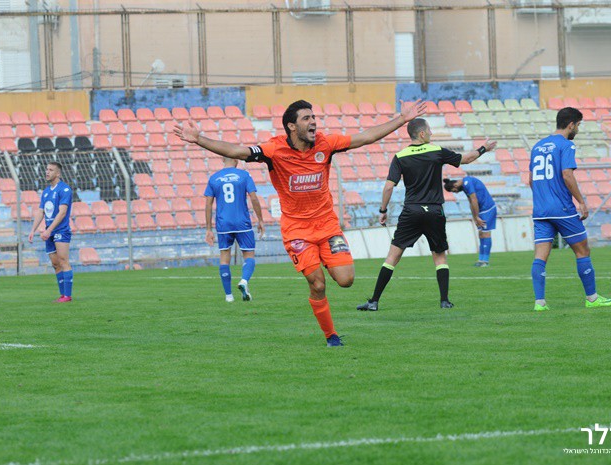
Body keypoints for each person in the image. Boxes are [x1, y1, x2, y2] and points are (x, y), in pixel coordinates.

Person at [175, 99, 426, 346]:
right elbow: (237, 152)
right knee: (317, 283)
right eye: (306, 118)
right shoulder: (274, 150)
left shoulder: (326, 144)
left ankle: (326, 259)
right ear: (292, 126)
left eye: (313, 117)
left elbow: (366, 137)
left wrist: (402, 119)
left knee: (346, 280)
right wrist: (199, 139)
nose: (313, 122)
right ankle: (331, 336)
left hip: (328, 227)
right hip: (297, 231)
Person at [357, 119, 497, 312]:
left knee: (392, 257)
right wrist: (484, 149)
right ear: (422, 134)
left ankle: (373, 302)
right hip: (434, 211)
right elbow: (466, 159)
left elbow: (389, 186)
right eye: (429, 130)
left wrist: (383, 210)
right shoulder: (436, 151)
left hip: (411, 211)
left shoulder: (400, 156)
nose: (431, 133)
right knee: (439, 258)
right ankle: (444, 301)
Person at [529, 107, 611, 311]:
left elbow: (531, 180)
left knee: (540, 256)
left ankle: (540, 303)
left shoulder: (537, 146)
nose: (578, 128)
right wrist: (581, 202)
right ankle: (592, 299)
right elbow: (567, 175)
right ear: (571, 125)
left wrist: (543, 198)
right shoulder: (566, 145)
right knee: (582, 250)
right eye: (578, 125)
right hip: (562, 208)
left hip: (540, 210)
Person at [204, 157, 265, 302]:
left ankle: (229, 296)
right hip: (242, 221)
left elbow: (208, 204)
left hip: (223, 223)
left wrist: (208, 229)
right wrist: (260, 220)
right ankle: (244, 281)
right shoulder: (244, 175)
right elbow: (253, 198)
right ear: (236, 159)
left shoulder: (214, 178)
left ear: (222, 159)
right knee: (249, 255)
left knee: (224, 257)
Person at [28, 162, 74, 302]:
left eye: (51, 170)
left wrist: (49, 229)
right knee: (55, 264)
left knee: (63, 261)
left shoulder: (64, 189)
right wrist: (32, 230)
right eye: (46, 169)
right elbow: (41, 211)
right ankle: (62, 295)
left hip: (61, 230)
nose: (47, 172)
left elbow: (62, 212)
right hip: (50, 232)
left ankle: (67, 295)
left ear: (58, 173)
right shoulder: (46, 191)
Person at [443, 176, 497, 267]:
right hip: (481, 210)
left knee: (486, 234)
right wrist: (475, 217)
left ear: (455, 185)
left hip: (487, 209)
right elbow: (471, 202)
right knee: (481, 234)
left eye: (454, 191)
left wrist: (477, 216)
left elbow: (474, 199)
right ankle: (481, 260)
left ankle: (485, 261)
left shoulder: (467, 182)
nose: (456, 192)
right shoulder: (465, 186)